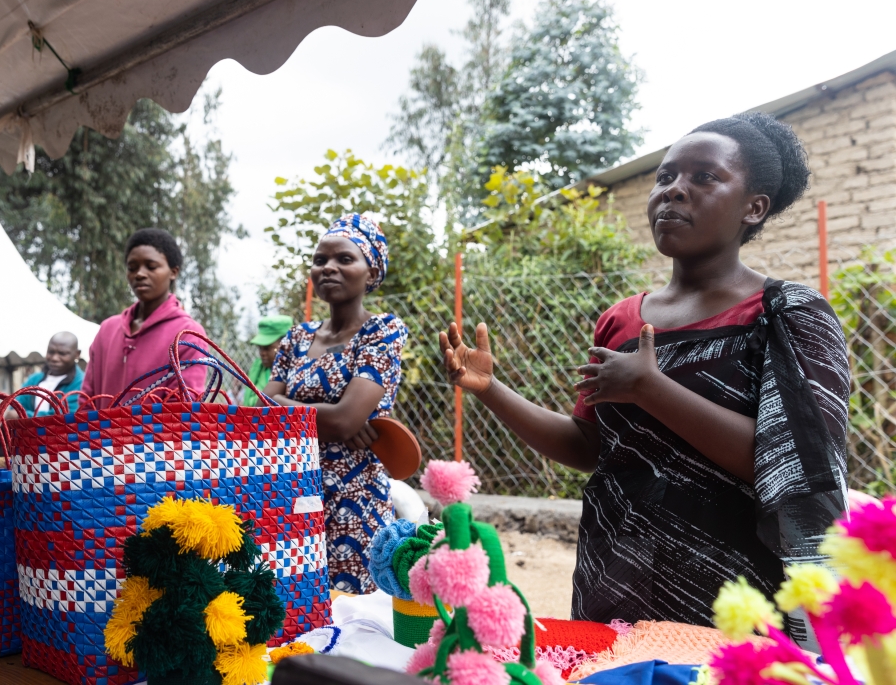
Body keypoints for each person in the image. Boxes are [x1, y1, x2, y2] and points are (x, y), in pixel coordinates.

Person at [440, 112, 850, 639]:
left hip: (735, 599)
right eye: (665, 177)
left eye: (704, 177)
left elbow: (799, 468)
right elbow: (589, 447)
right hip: (613, 575)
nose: (674, 190)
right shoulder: (620, 319)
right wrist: (490, 390)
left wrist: (651, 389)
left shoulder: (787, 314)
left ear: (754, 207)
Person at [264, 214, 408, 594]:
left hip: (354, 505)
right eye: (320, 260)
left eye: (345, 259)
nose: (328, 267)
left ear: (371, 271)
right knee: (291, 606)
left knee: (352, 615)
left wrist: (283, 403)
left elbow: (345, 420)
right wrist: (330, 420)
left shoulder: (382, 332)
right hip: (290, 492)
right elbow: (261, 411)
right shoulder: (296, 338)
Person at [80, 229, 206, 408]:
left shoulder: (188, 334)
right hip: (97, 429)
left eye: (151, 266)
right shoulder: (108, 329)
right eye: (132, 268)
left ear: (173, 272)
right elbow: (86, 400)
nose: (139, 274)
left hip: (158, 429)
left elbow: (181, 409)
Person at [16, 332, 85, 416]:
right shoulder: (33, 380)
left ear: (77, 354)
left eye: (62, 353)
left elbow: (66, 416)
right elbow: (16, 407)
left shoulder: (82, 382)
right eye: (51, 352)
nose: (54, 358)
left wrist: (23, 416)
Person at [240, 315, 293, 406]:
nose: (262, 353)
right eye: (260, 348)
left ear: (285, 344)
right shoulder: (258, 368)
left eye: (267, 348)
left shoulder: (293, 372)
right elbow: (248, 402)